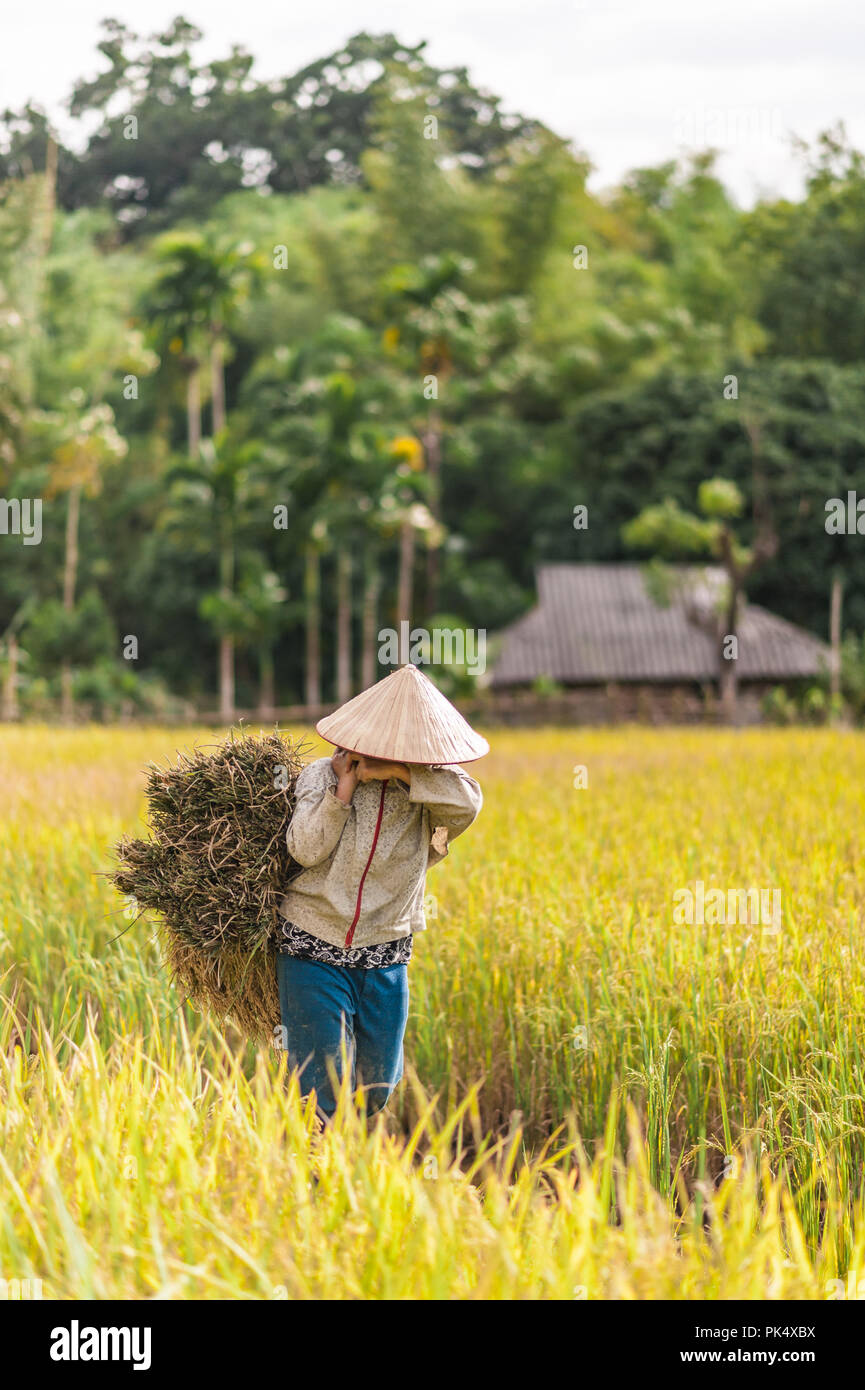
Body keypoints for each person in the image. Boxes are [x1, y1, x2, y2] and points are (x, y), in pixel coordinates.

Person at [276, 662, 487, 1122]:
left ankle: (334, 1161)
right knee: (319, 1094)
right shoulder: (320, 775)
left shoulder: (433, 789)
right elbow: (305, 848)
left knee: (376, 1089)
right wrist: (345, 789)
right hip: (312, 945)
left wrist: (401, 774)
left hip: (386, 952)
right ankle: (309, 1181)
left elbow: (469, 804)